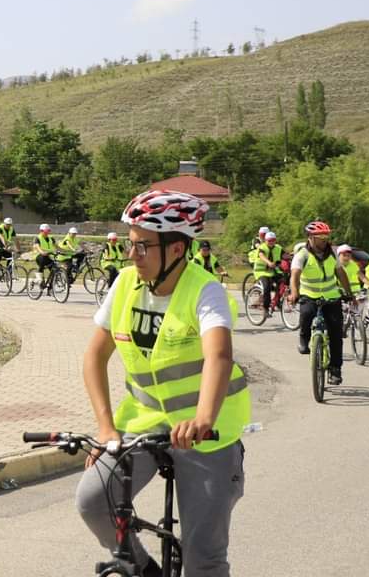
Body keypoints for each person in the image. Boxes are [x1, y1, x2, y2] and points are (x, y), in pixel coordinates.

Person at [76, 190, 249, 577]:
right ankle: (146, 573)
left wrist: (203, 417)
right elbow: (94, 357)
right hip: (143, 424)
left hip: (207, 435)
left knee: (203, 559)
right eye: (130, 244)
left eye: (142, 246)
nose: (131, 254)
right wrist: (106, 428)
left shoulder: (206, 291)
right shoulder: (124, 284)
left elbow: (219, 356)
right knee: (92, 500)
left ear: (176, 249)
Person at [289, 221, 354, 385]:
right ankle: (304, 340)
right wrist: (295, 293)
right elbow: (295, 275)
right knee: (306, 314)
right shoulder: (302, 255)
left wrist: (348, 293)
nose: (324, 239)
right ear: (311, 237)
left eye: (326, 236)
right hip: (309, 295)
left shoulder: (332, 253)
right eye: (320, 237)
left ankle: (335, 369)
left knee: (336, 334)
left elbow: (341, 273)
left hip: (331, 297)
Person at [254, 232, 282, 317]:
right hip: (261, 271)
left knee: (283, 283)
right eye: (269, 240)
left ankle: (277, 301)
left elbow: (285, 255)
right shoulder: (262, 247)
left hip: (273, 271)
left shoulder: (278, 248)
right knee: (267, 287)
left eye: (273, 240)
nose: (271, 242)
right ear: (265, 240)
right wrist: (269, 262)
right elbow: (261, 255)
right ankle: (265, 308)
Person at [33, 224, 59, 291]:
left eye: (49, 230)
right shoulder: (37, 238)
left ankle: (50, 289)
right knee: (42, 259)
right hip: (39, 256)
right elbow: (37, 247)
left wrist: (64, 251)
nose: (48, 232)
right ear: (41, 231)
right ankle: (38, 280)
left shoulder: (51, 238)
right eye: (46, 231)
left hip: (48, 256)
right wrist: (42, 252)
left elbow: (57, 247)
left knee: (54, 270)